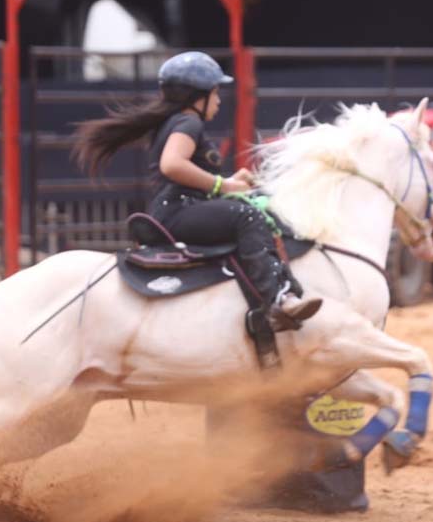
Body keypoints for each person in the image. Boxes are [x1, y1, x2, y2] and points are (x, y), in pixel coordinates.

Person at [72, 51, 322, 330]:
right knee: (247, 216)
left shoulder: (175, 123)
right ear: (197, 96)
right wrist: (223, 185)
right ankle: (277, 300)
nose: (217, 100)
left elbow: (184, 173)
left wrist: (227, 181)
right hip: (179, 210)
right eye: (214, 93)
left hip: (178, 207)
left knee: (248, 209)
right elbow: (172, 165)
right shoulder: (188, 123)